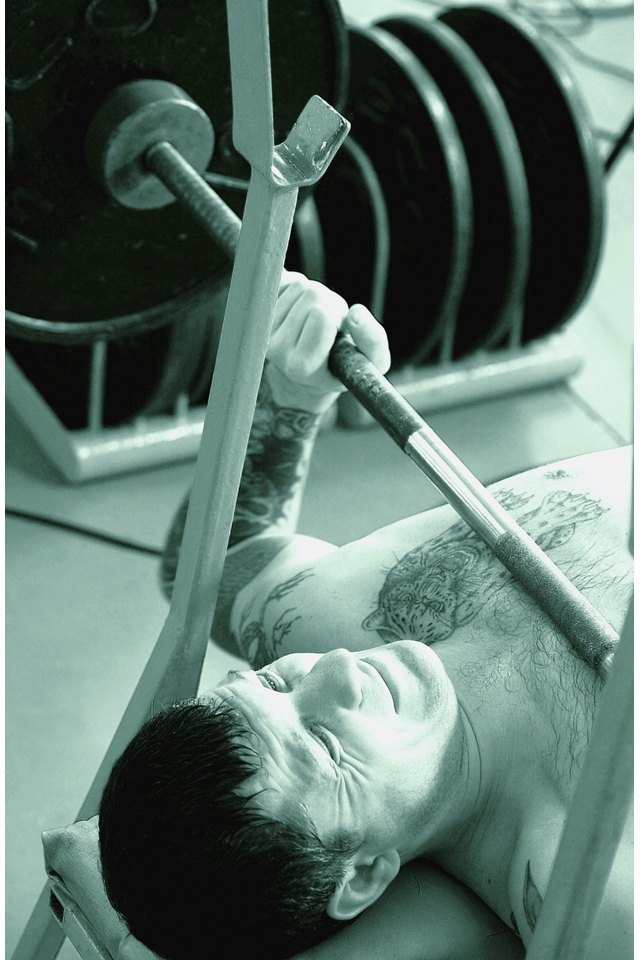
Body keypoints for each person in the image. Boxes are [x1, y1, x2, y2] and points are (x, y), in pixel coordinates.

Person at [98, 274, 633, 960]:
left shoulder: (329, 620)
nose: (339, 674)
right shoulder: (589, 879)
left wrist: (289, 393)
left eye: (273, 685)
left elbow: (209, 566)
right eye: (324, 746)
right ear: (363, 873)